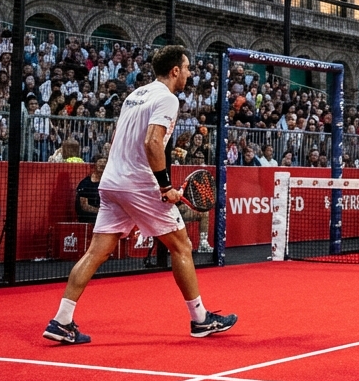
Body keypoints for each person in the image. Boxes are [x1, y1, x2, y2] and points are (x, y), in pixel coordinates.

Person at [43, 45, 236, 345]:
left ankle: (62, 320)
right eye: (186, 69)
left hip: (111, 181)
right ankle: (200, 320)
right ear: (174, 71)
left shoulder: (136, 95)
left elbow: (123, 136)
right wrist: (165, 187)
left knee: (97, 252)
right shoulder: (168, 99)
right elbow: (152, 142)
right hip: (138, 182)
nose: (188, 74)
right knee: (182, 246)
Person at [74, 156, 105, 224]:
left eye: (105, 164)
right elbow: (84, 206)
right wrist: (102, 212)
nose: (103, 165)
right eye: (100, 163)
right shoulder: (85, 183)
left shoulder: (108, 184)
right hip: (89, 219)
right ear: (94, 166)